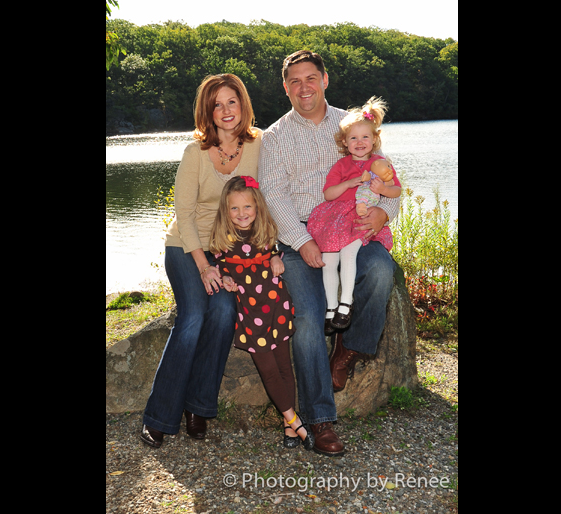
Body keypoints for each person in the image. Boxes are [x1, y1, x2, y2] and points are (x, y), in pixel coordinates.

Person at [258, 50, 400, 457]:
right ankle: (320, 418)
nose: (303, 87)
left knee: (381, 270)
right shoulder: (275, 137)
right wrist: (302, 240)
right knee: (306, 318)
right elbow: (274, 195)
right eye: (294, 81)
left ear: (324, 80)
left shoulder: (352, 125)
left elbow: (387, 175)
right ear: (286, 87)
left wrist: (383, 212)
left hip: (352, 227)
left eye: (311, 78)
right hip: (301, 236)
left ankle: (349, 348)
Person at [140, 73, 263, 449]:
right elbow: (185, 213)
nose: (225, 110)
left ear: (242, 104)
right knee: (193, 316)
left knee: (224, 312)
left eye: (231, 101)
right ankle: (159, 416)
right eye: (216, 104)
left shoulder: (258, 145)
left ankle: (198, 406)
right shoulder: (195, 153)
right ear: (207, 112)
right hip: (185, 246)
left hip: (226, 251)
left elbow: (266, 201)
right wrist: (204, 266)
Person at [211, 175, 314, 450]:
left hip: (277, 308)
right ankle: (295, 421)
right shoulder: (222, 241)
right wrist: (226, 279)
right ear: (226, 210)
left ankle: (288, 426)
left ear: (257, 207)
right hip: (250, 315)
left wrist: (277, 257)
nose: (242, 213)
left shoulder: (266, 232)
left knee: (285, 368)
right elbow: (222, 269)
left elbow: (276, 250)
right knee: (269, 371)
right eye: (234, 208)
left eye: (247, 207)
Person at [306, 96, 402, 333]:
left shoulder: (380, 164)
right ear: (345, 142)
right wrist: (349, 183)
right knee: (329, 260)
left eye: (365, 137)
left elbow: (397, 190)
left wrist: (383, 189)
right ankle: (331, 309)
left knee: (348, 253)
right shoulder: (341, 166)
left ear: (374, 139)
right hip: (336, 219)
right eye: (353, 138)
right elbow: (328, 194)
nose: (360, 143)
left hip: (360, 218)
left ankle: (345, 304)